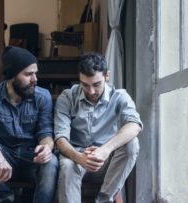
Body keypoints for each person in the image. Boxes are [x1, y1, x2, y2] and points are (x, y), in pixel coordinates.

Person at [0, 46, 58, 203]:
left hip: (32, 158)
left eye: (35, 73)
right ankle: (4, 197)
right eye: (28, 74)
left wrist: (47, 148)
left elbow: (46, 133)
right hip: (3, 159)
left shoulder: (43, 97)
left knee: (51, 162)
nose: (35, 79)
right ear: (11, 76)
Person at [54, 53, 142, 203]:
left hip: (106, 162)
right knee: (67, 165)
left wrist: (105, 150)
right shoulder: (67, 97)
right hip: (76, 158)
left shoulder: (119, 96)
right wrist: (79, 158)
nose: (91, 91)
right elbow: (60, 139)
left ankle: (104, 200)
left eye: (96, 84)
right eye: (85, 85)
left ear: (106, 76)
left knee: (132, 144)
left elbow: (134, 125)